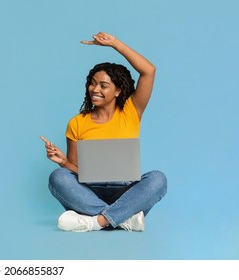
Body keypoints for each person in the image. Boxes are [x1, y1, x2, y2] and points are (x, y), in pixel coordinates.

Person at [40, 32, 167, 232]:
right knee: (58, 177)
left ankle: (95, 222)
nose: (94, 89)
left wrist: (115, 44)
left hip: (127, 192)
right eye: (92, 83)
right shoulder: (77, 122)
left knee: (158, 179)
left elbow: (149, 71)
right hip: (90, 192)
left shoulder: (131, 111)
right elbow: (76, 169)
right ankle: (124, 218)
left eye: (103, 85)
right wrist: (64, 162)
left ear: (118, 90)